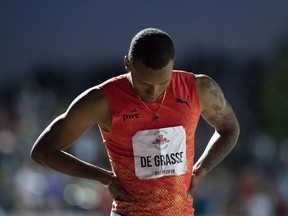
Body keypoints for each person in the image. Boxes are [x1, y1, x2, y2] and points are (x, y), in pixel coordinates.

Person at [31, 28, 240, 216]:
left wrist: (201, 169)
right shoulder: (100, 101)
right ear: (127, 65)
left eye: (163, 83)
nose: (153, 91)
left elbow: (229, 129)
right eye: (144, 82)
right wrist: (104, 178)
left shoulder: (200, 89)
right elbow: (42, 151)